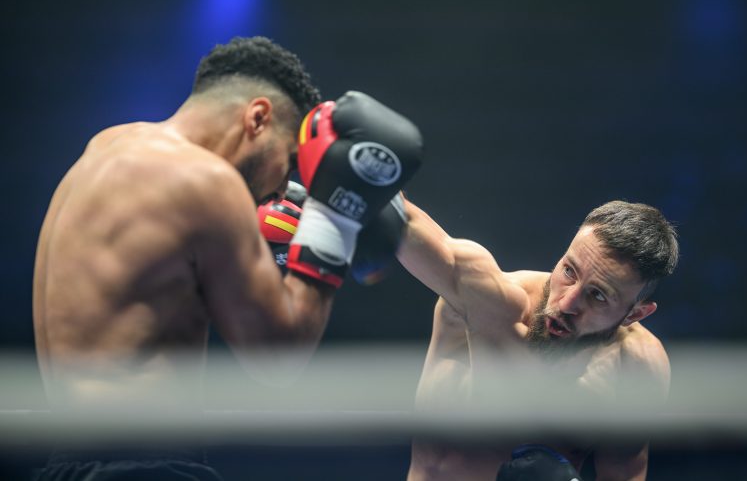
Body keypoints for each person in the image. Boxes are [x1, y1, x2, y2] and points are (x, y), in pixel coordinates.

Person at [32, 36, 423, 480]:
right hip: (142, 467)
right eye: (291, 161)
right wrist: (332, 219)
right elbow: (279, 356)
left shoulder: (104, 148)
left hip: (65, 464)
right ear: (258, 117)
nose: (282, 190)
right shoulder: (206, 182)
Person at [398, 197, 678, 481]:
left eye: (598, 295)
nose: (567, 303)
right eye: (569, 271)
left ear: (635, 314)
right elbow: (399, 218)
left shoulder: (636, 367)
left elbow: (625, 473)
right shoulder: (488, 303)